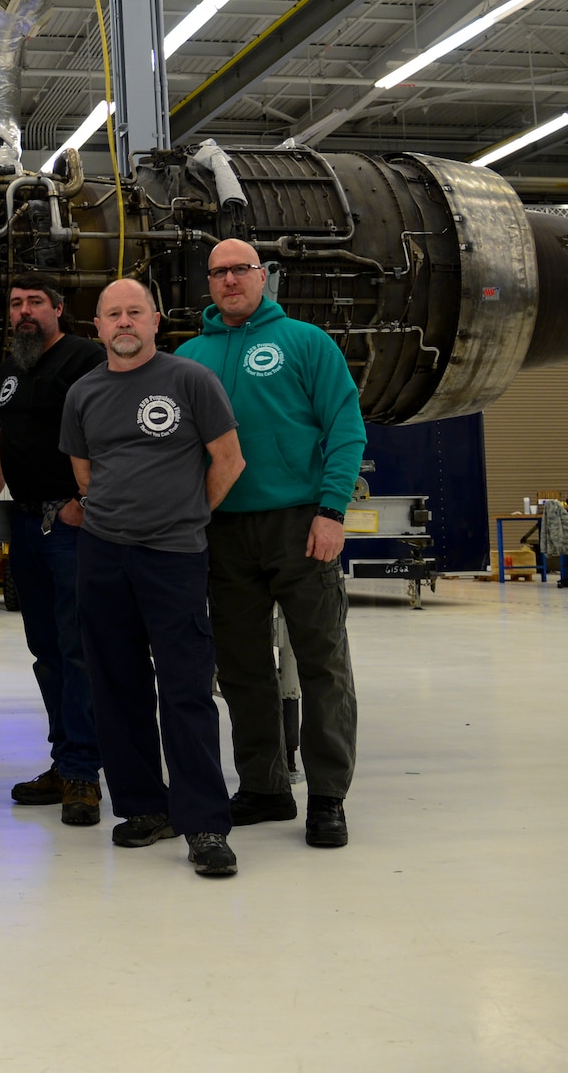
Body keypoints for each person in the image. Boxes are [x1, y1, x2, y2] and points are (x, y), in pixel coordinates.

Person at [175, 239, 364, 849]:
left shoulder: (307, 343)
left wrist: (332, 511)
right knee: (241, 668)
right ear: (207, 283)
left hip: (300, 523)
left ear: (263, 276)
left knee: (321, 662)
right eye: (219, 273)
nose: (231, 281)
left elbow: (345, 428)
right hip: (223, 531)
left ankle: (328, 796)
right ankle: (265, 785)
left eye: (242, 270)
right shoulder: (189, 357)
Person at [60, 278, 245, 878]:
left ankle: (205, 825)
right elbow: (85, 473)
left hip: (173, 557)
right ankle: (143, 808)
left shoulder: (190, 380)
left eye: (134, 312)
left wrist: (187, 515)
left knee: (187, 690)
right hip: (103, 555)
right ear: (99, 326)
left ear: (155, 320)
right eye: (112, 314)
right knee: (117, 687)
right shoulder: (83, 392)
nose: (124, 323)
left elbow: (229, 460)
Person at [0, 273, 107, 826]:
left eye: (35, 303)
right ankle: (63, 763)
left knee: (79, 652)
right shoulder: (13, 365)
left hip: (72, 525)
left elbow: (108, 430)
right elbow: (7, 433)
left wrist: (87, 499)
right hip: (28, 526)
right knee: (47, 652)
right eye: (15, 304)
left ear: (59, 308)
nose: (24, 312)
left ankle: (84, 774)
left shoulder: (84, 359)